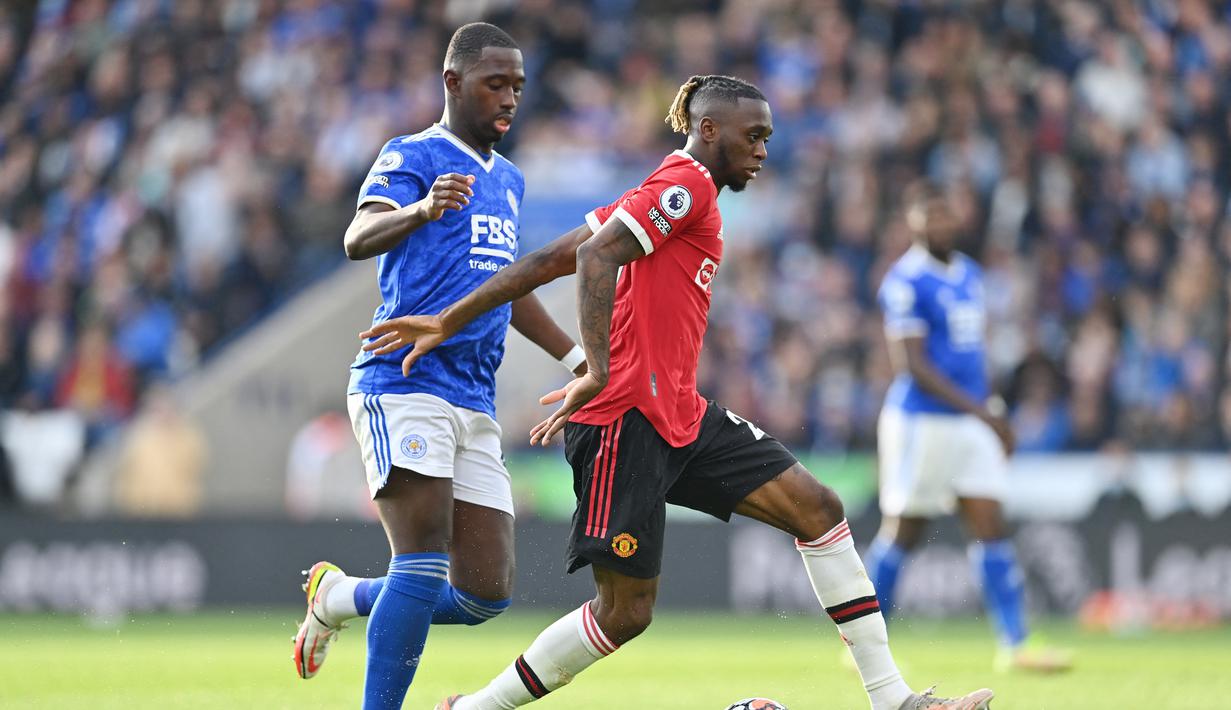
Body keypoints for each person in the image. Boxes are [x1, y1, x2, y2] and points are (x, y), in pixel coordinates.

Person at [363, 75, 994, 710]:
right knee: (624, 613)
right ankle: (474, 709)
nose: (763, 150)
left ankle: (894, 700)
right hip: (623, 421)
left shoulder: (668, 188)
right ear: (709, 129)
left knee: (819, 509)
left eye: (768, 138)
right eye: (753, 136)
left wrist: (451, 316)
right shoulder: (685, 185)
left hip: (678, 414)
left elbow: (550, 258)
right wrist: (598, 368)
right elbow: (594, 258)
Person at [289, 23, 587, 710]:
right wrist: (421, 209)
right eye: (494, 84)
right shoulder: (413, 154)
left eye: (516, 85)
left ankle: (336, 597)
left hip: (472, 397)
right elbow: (357, 236)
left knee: (484, 594)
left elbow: (505, 289)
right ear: (452, 83)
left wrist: (575, 359)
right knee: (420, 563)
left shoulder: (507, 180)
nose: (509, 98)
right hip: (403, 379)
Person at [865, 183, 1070, 673]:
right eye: (928, 216)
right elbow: (912, 366)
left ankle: (1016, 645)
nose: (939, 223)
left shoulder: (971, 275)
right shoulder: (906, 281)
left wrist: (990, 408)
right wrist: (984, 414)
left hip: (970, 420)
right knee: (904, 533)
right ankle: (865, 643)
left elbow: (972, 355)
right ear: (912, 223)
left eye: (944, 214)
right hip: (922, 422)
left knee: (991, 525)